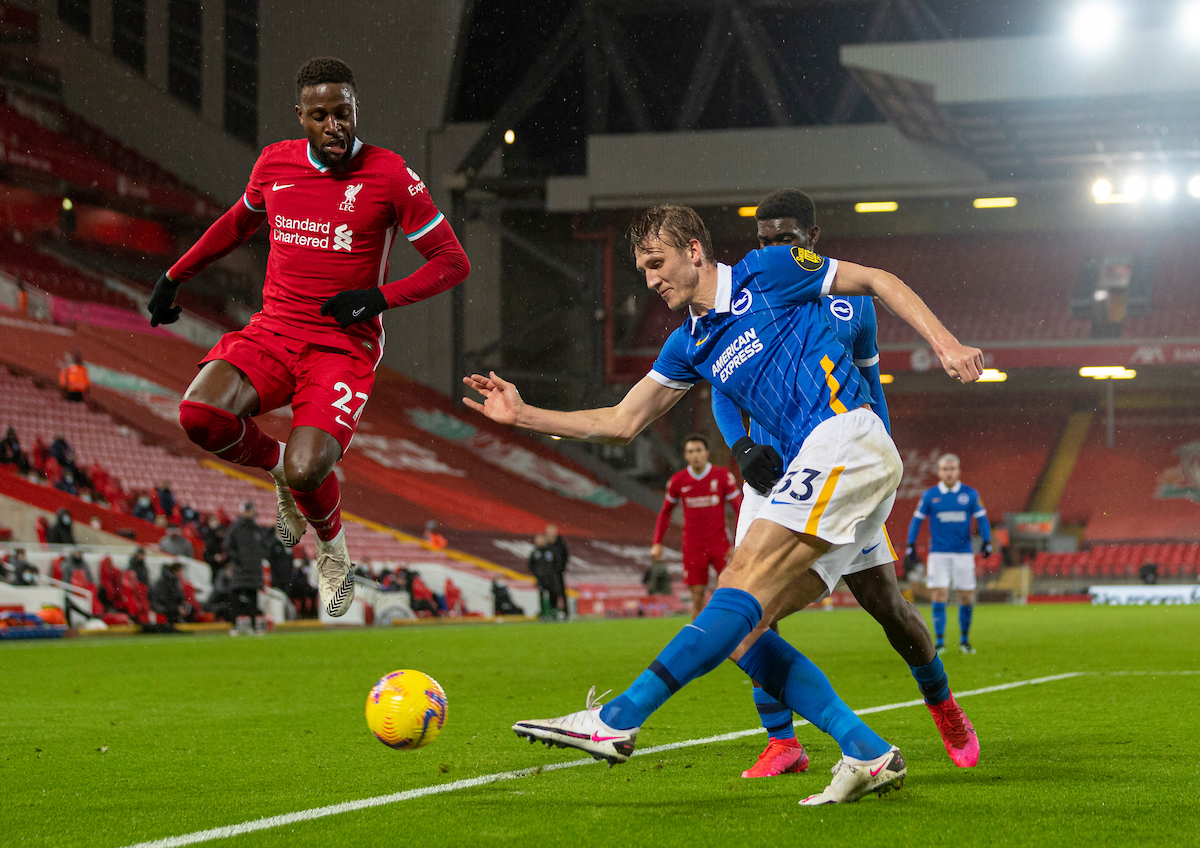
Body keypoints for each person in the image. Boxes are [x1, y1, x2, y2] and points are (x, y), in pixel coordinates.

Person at [465, 204, 983, 804]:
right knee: (741, 629)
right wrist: (523, 414)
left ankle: (619, 718)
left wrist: (945, 344)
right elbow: (620, 420)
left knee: (767, 587)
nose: (651, 279)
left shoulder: (769, 269)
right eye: (642, 270)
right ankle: (866, 751)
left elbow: (875, 280)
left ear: (692, 249)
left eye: (657, 263)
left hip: (846, 437)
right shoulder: (688, 343)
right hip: (816, 468)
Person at [146, 56, 470, 619]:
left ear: (355, 110)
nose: (333, 126)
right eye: (319, 115)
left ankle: (334, 552)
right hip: (273, 330)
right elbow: (234, 224)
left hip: (341, 347)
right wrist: (174, 276)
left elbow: (452, 261)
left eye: (342, 113)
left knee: (308, 470)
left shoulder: (389, 174)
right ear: (301, 116)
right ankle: (274, 464)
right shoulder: (274, 164)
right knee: (199, 415)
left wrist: (377, 298)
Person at [711, 189, 978, 776]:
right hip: (772, 472)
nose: (774, 249)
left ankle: (944, 705)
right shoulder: (744, 294)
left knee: (884, 601)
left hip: (837, 459)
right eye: (764, 241)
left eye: (786, 237)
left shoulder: (851, 305)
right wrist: (742, 447)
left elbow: (869, 386)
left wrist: (876, 454)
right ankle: (783, 742)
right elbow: (720, 385)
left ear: (812, 237)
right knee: (751, 610)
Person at [907, 453, 991, 655]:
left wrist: (987, 541)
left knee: (966, 596)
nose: (949, 473)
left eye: (952, 469)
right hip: (939, 553)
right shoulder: (930, 495)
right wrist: (911, 545)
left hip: (963, 553)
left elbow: (982, 519)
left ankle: (964, 640)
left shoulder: (970, 494)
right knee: (939, 594)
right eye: (945, 469)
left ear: (958, 471)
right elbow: (917, 520)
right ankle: (940, 642)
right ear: (939, 472)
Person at [650, 434, 741, 619]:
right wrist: (657, 542)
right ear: (685, 456)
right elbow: (665, 512)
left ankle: (732, 633)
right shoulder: (678, 480)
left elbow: (740, 508)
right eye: (690, 451)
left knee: (730, 588)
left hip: (720, 543)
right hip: (693, 545)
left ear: (707, 453)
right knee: (697, 595)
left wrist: (737, 543)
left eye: (698, 450)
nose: (695, 455)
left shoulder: (722, 475)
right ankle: (699, 639)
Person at [224, 501, 268, 628]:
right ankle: (234, 625)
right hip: (240, 570)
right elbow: (228, 547)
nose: (249, 513)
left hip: (254, 570)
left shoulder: (257, 529)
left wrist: (257, 558)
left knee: (253, 598)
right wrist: (238, 560)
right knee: (236, 597)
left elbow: (264, 547)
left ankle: (253, 625)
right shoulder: (235, 529)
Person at [528, 533, 560, 619]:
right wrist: (537, 573)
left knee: (553, 594)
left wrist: (553, 572)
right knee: (541, 595)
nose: (540, 541)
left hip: (550, 577)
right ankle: (543, 613)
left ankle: (554, 611)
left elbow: (557, 562)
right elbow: (531, 565)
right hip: (540, 578)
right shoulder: (535, 552)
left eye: (541, 539)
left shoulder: (551, 550)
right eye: (538, 540)